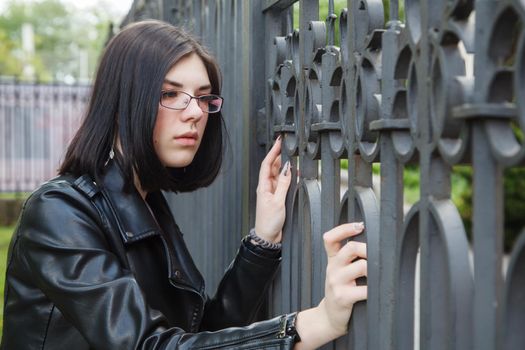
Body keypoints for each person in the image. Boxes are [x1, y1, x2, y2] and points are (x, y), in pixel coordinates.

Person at [1, 20, 367, 349]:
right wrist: (317, 322)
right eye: (169, 94)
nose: (195, 112)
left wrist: (262, 241)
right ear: (122, 102)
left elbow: (200, 333)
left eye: (204, 97)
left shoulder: (147, 201)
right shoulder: (59, 213)